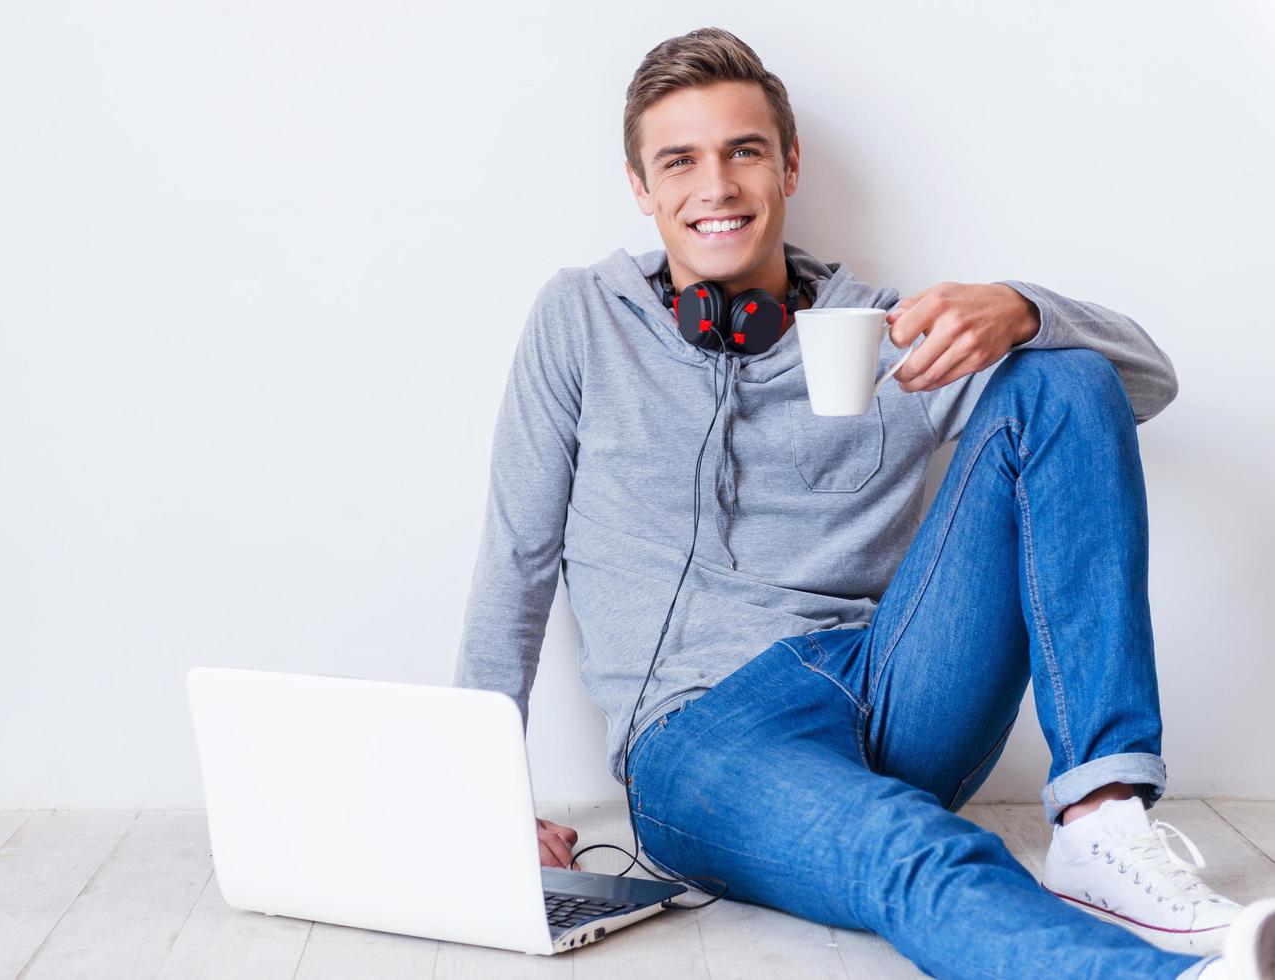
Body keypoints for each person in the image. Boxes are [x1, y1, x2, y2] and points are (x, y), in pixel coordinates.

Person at [452, 26, 1275, 979]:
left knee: (1062, 379)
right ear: (642, 187)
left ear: (787, 165)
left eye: (743, 151)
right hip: (701, 734)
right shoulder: (580, 321)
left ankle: (1099, 819)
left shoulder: (890, 331)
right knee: (906, 846)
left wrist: (1022, 307)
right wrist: (476, 801)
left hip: (896, 687)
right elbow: (514, 560)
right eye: (679, 160)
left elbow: (1135, 388)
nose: (714, 186)